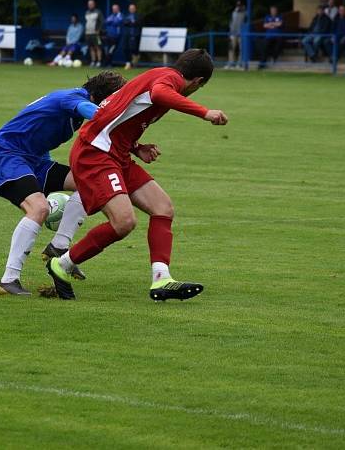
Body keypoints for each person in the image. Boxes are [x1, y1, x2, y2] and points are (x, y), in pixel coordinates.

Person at [44, 49, 228, 301]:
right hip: (95, 153)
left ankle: (161, 278)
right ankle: (62, 263)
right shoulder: (169, 80)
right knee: (124, 222)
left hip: (115, 153)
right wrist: (204, 112)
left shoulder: (157, 75)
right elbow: (160, 94)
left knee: (163, 208)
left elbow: (118, 115)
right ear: (198, 82)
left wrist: (136, 147)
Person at [0, 71, 127, 296]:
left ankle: (58, 246)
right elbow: (95, 114)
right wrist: (116, 114)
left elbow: (39, 135)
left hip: (35, 162)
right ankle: (8, 280)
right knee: (38, 208)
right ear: (104, 97)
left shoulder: (73, 102)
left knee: (87, 184)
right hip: (5, 156)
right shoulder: (72, 98)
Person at [122, 3, 142, 70]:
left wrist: (130, 23)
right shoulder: (126, 15)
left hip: (135, 35)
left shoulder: (138, 16)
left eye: (133, 8)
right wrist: (131, 23)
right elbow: (125, 22)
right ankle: (128, 63)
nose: (131, 9)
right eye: (130, 8)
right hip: (127, 35)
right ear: (129, 9)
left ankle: (133, 63)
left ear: (135, 9)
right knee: (125, 48)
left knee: (133, 49)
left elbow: (137, 23)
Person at [226, 0, 245, 69]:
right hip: (233, 33)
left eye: (240, 6)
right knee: (231, 48)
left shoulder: (244, 13)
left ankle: (239, 64)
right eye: (237, 6)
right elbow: (232, 23)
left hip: (241, 33)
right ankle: (231, 63)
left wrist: (241, 10)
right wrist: (230, 33)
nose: (238, 7)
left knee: (241, 49)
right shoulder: (234, 13)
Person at [84, 0, 103, 67]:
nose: (90, 5)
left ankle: (99, 61)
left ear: (94, 4)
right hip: (88, 33)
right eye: (89, 4)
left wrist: (98, 30)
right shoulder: (87, 12)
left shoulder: (98, 12)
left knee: (97, 47)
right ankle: (93, 61)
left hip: (95, 34)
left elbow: (101, 22)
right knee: (91, 48)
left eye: (91, 4)